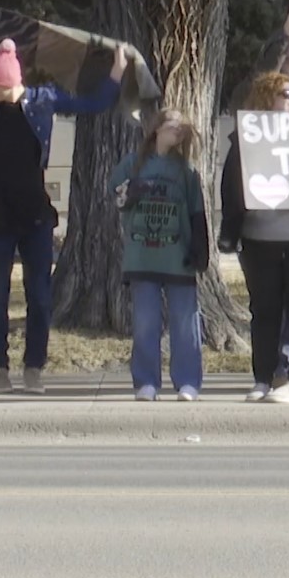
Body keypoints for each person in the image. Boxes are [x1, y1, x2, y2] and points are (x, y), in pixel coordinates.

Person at [0, 4, 125, 394]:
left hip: (35, 216)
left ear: (9, 82)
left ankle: (34, 367)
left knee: (40, 297)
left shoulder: (43, 101)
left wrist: (117, 70)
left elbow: (93, 104)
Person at [219, 72, 289, 404]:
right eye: (286, 93)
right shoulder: (245, 140)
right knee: (264, 311)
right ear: (267, 97)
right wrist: (230, 232)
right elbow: (230, 187)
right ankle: (262, 379)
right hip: (258, 240)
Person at [108, 109, 208, 402]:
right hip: (142, 258)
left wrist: (199, 249)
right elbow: (116, 197)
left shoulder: (185, 171)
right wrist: (129, 193)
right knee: (145, 322)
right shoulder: (132, 164)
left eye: (181, 128)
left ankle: (188, 381)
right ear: (156, 129)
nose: (177, 131)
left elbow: (197, 211)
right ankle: (146, 381)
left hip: (178, 258)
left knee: (184, 322)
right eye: (172, 125)